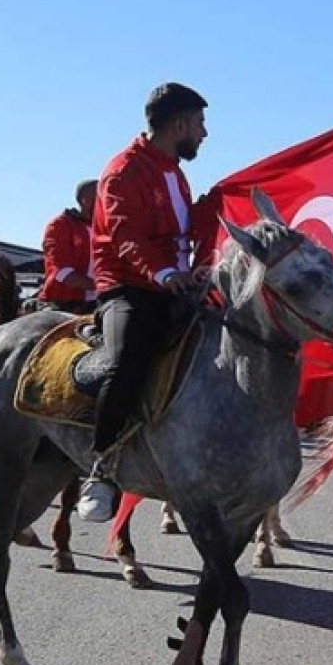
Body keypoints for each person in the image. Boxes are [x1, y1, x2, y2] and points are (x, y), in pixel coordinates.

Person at [76, 83, 214, 522]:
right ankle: (100, 467)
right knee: (128, 356)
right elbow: (126, 236)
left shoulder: (175, 171)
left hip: (175, 285)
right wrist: (163, 273)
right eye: (199, 124)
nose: (204, 133)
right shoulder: (123, 171)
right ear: (178, 125)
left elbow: (183, 230)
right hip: (129, 287)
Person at [38, 179, 99, 314]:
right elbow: (62, 272)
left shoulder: (106, 228)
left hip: (99, 301)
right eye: (103, 198)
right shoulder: (59, 225)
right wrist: (103, 286)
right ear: (85, 200)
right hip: (63, 304)